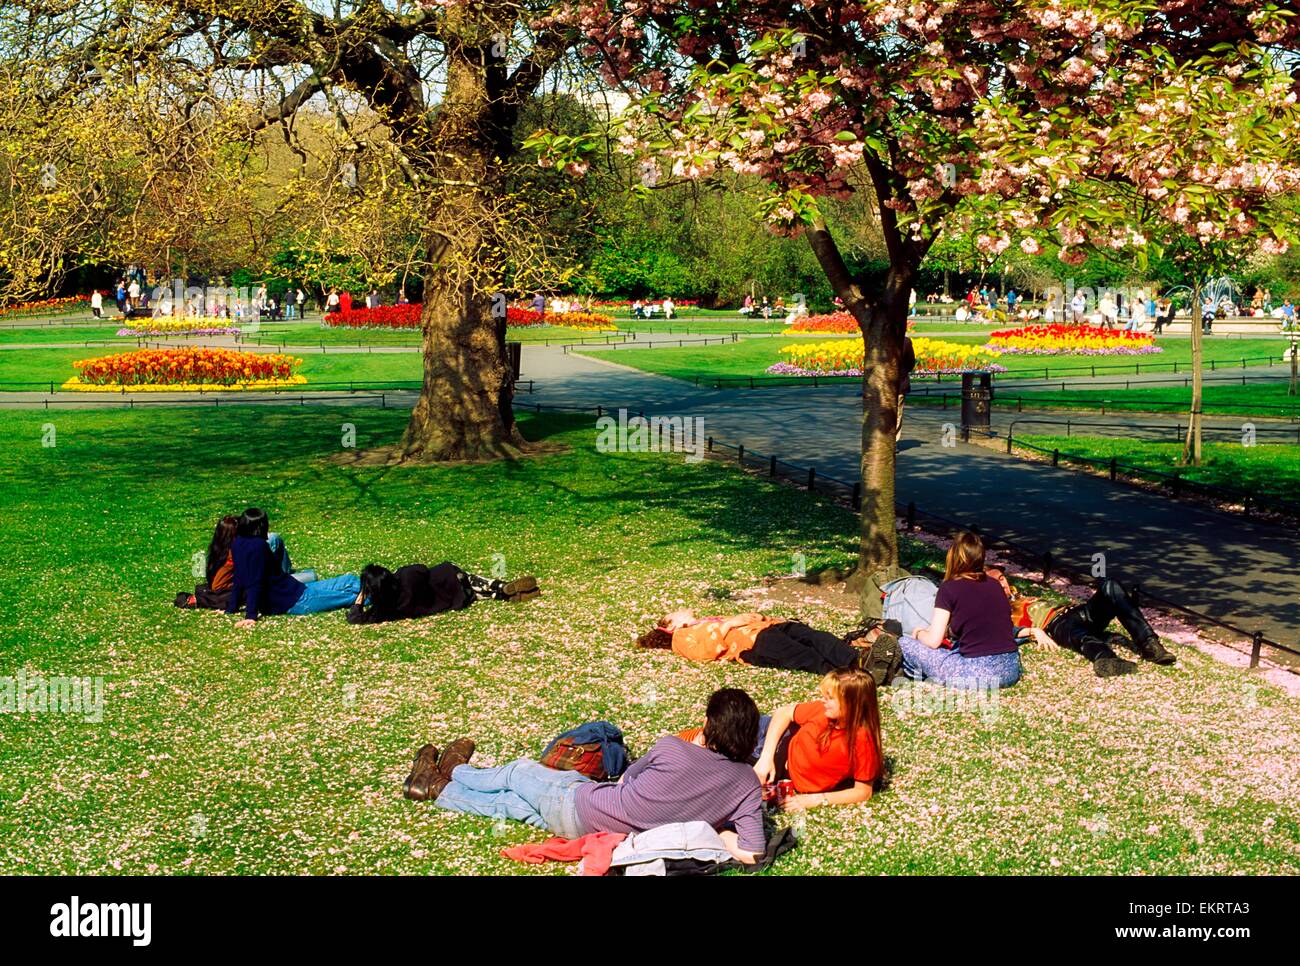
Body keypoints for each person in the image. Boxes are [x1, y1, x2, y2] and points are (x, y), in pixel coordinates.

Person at [428, 688, 768, 864]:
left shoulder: (673, 748)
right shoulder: (746, 784)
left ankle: (455, 769)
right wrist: (718, 829)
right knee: (509, 804)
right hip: (594, 833)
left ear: (708, 724)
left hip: (579, 802)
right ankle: (436, 789)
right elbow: (753, 853)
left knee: (518, 772)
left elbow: (623, 781)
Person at [986, 568, 1174, 677]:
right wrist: (1034, 631)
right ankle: (1106, 659)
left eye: (1002, 578)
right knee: (1082, 637)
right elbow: (1008, 630)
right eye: (996, 583)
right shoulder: (999, 610)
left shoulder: (1021, 595)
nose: (1002, 584)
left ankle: (1149, 644)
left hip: (1077, 611)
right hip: (1057, 624)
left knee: (1110, 586)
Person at [899, 531, 1023, 688]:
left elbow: (933, 641)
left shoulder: (949, 588)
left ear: (954, 557)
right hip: (1011, 669)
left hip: (977, 672)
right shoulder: (995, 585)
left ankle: (915, 673)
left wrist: (918, 633)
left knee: (904, 643)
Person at [637, 608, 898, 681]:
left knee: (814, 636)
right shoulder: (680, 638)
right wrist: (728, 626)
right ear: (670, 625)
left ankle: (860, 659)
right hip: (752, 642)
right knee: (803, 655)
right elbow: (704, 653)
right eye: (676, 613)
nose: (684, 609)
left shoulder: (703, 621)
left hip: (764, 627)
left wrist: (762, 618)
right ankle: (860, 671)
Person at [752, 668, 882, 810]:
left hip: (781, 770)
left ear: (851, 703)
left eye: (830, 697)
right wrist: (766, 757)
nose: (823, 700)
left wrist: (816, 799)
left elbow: (863, 792)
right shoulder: (824, 711)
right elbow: (784, 713)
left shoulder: (862, 740)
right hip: (774, 736)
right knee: (731, 720)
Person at [225, 508, 359, 626]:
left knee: (350, 580)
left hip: (297, 589)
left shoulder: (237, 543)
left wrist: (232, 608)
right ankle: (375, 594)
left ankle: (376, 586)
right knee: (349, 596)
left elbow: (239, 577)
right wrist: (251, 616)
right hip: (292, 601)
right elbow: (255, 582)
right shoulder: (259, 546)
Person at [346, 563, 539, 624]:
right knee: (469, 580)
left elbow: (355, 618)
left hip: (453, 600)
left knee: (471, 594)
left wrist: (361, 598)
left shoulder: (387, 609)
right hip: (450, 578)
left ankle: (502, 595)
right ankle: (498, 586)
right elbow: (422, 569)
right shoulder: (406, 575)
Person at [897, 335, 916, 444]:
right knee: (897, 414)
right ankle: (894, 441)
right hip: (900, 383)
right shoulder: (905, 341)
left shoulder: (881, 340)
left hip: (886, 385)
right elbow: (911, 362)